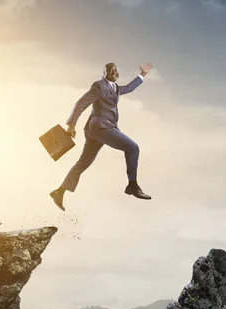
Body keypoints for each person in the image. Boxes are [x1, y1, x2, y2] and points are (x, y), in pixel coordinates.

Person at [49, 62, 154, 211]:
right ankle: (132, 186)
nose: (113, 73)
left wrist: (142, 74)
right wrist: (71, 124)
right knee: (132, 148)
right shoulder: (99, 86)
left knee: (83, 163)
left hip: (96, 130)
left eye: (115, 71)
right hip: (101, 128)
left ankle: (59, 192)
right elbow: (81, 103)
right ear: (104, 73)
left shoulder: (115, 88)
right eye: (110, 71)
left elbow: (129, 88)